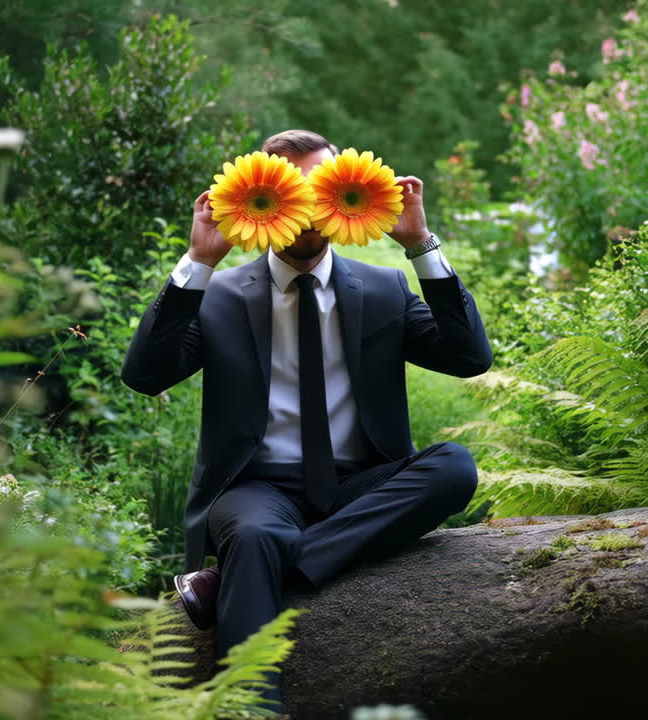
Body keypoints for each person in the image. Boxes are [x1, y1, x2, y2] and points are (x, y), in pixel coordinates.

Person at [121, 129, 492, 707]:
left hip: (360, 485)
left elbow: (469, 358)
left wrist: (421, 246)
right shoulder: (219, 297)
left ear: (342, 194)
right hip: (258, 490)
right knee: (257, 535)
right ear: (260, 200)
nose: (305, 209)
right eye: (288, 192)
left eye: (319, 190)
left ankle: (244, 576)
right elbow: (145, 375)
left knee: (454, 467)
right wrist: (198, 262)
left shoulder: (383, 288)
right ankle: (249, 710)